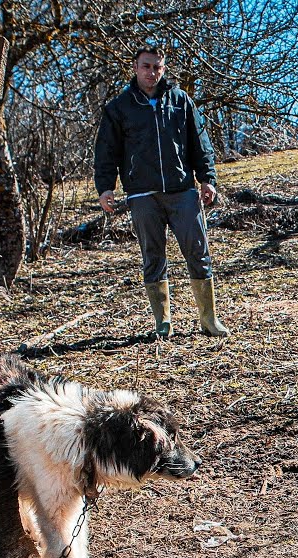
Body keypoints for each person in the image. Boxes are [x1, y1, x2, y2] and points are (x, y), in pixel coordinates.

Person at [94, 46, 228, 339]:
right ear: (134, 67)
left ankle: (209, 319)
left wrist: (207, 179)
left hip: (182, 191)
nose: (151, 72)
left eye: (157, 67)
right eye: (146, 66)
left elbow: (200, 143)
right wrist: (105, 187)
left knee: (198, 251)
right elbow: (106, 152)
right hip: (142, 195)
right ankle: (163, 322)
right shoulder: (119, 108)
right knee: (152, 256)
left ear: (164, 69)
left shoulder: (181, 101)